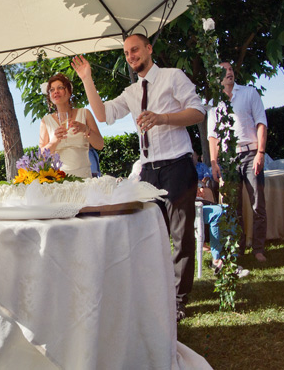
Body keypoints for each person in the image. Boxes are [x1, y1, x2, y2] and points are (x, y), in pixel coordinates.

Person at [72, 34, 205, 321]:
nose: (131, 56)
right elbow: (103, 113)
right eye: (127, 53)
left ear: (149, 49)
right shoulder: (131, 92)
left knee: (181, 238)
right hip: (147, 171)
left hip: (177, 165)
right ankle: (156, 292)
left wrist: (163, 118)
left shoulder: (173, 77)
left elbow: (198, 112)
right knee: (147, 235)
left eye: (135, 50)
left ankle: (179, 300)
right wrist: (86, 79)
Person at [208, 61, 268, 263]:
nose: (229, 73)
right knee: (233, 207)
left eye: (231, 69)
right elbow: (213, 136)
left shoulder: (250, 93)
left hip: (251, 154)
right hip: (228, 159)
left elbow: (261, 123)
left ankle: (259, 249)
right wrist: (214, 162)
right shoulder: (214, 103)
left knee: (257, 203)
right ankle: (238, 249)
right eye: (224, 71)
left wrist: (260, 152)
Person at [38, 73, 104, 178]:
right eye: (52, 89)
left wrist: (85, 129)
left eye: (60, 88)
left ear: (69, 92)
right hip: (58, 180)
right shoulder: (46, 121)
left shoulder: (84, 113)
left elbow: (100, 145)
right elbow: (41, 156)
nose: (56, 91)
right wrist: (54, 141)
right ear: (49, 96)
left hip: (84, 178)